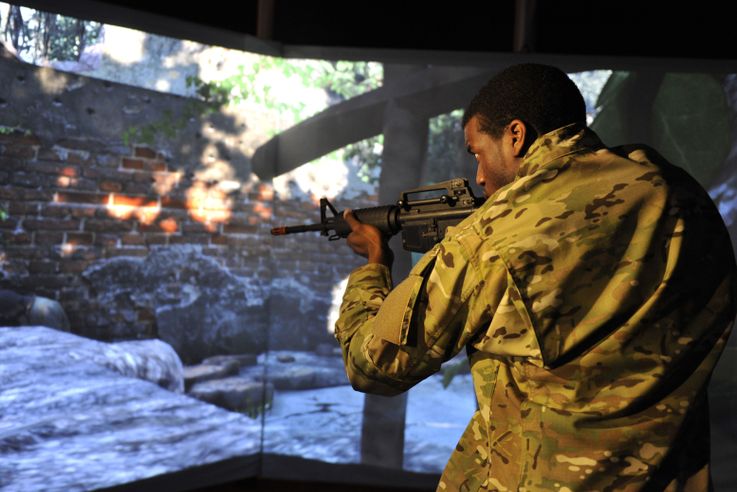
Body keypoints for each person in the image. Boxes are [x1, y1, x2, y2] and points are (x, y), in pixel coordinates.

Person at [333, 63, 736, 491]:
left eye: (477, 152)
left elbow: (372, 365)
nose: (479, 176)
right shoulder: (683, 196)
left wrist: (373, 266)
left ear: (516, 135)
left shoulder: (491, 238)